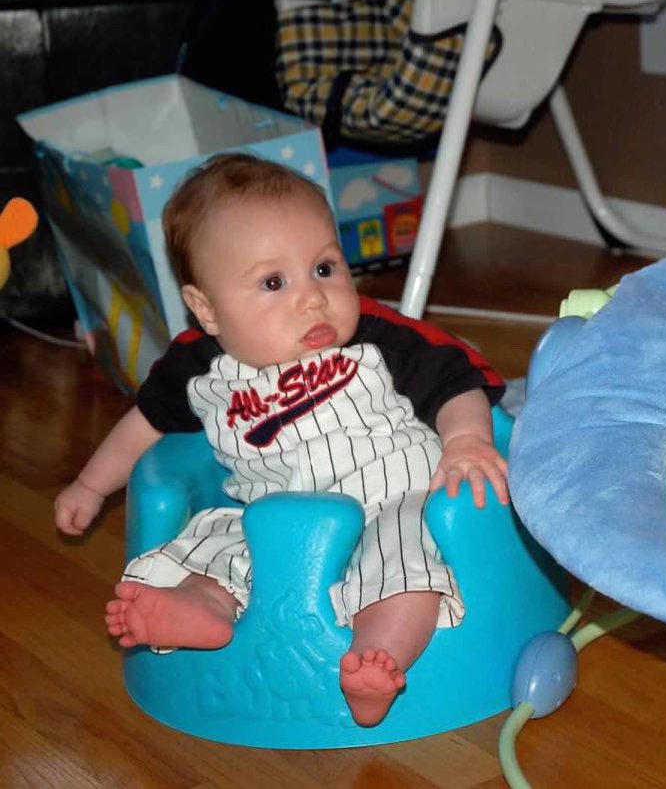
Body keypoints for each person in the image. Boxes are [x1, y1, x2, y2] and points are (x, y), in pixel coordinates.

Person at [53, 153, 508, 726]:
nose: (312, 298)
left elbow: (456, 378)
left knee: (410, 569)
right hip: (269, 516)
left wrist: (466, 440)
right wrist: (91, 485)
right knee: (214, 547)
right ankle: (203, 609)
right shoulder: (196, 368)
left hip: (395, 501)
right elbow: (144, 427)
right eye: (274, 282)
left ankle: (377, 660)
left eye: (324, 269)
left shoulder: (377, 339)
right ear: (207, 309)